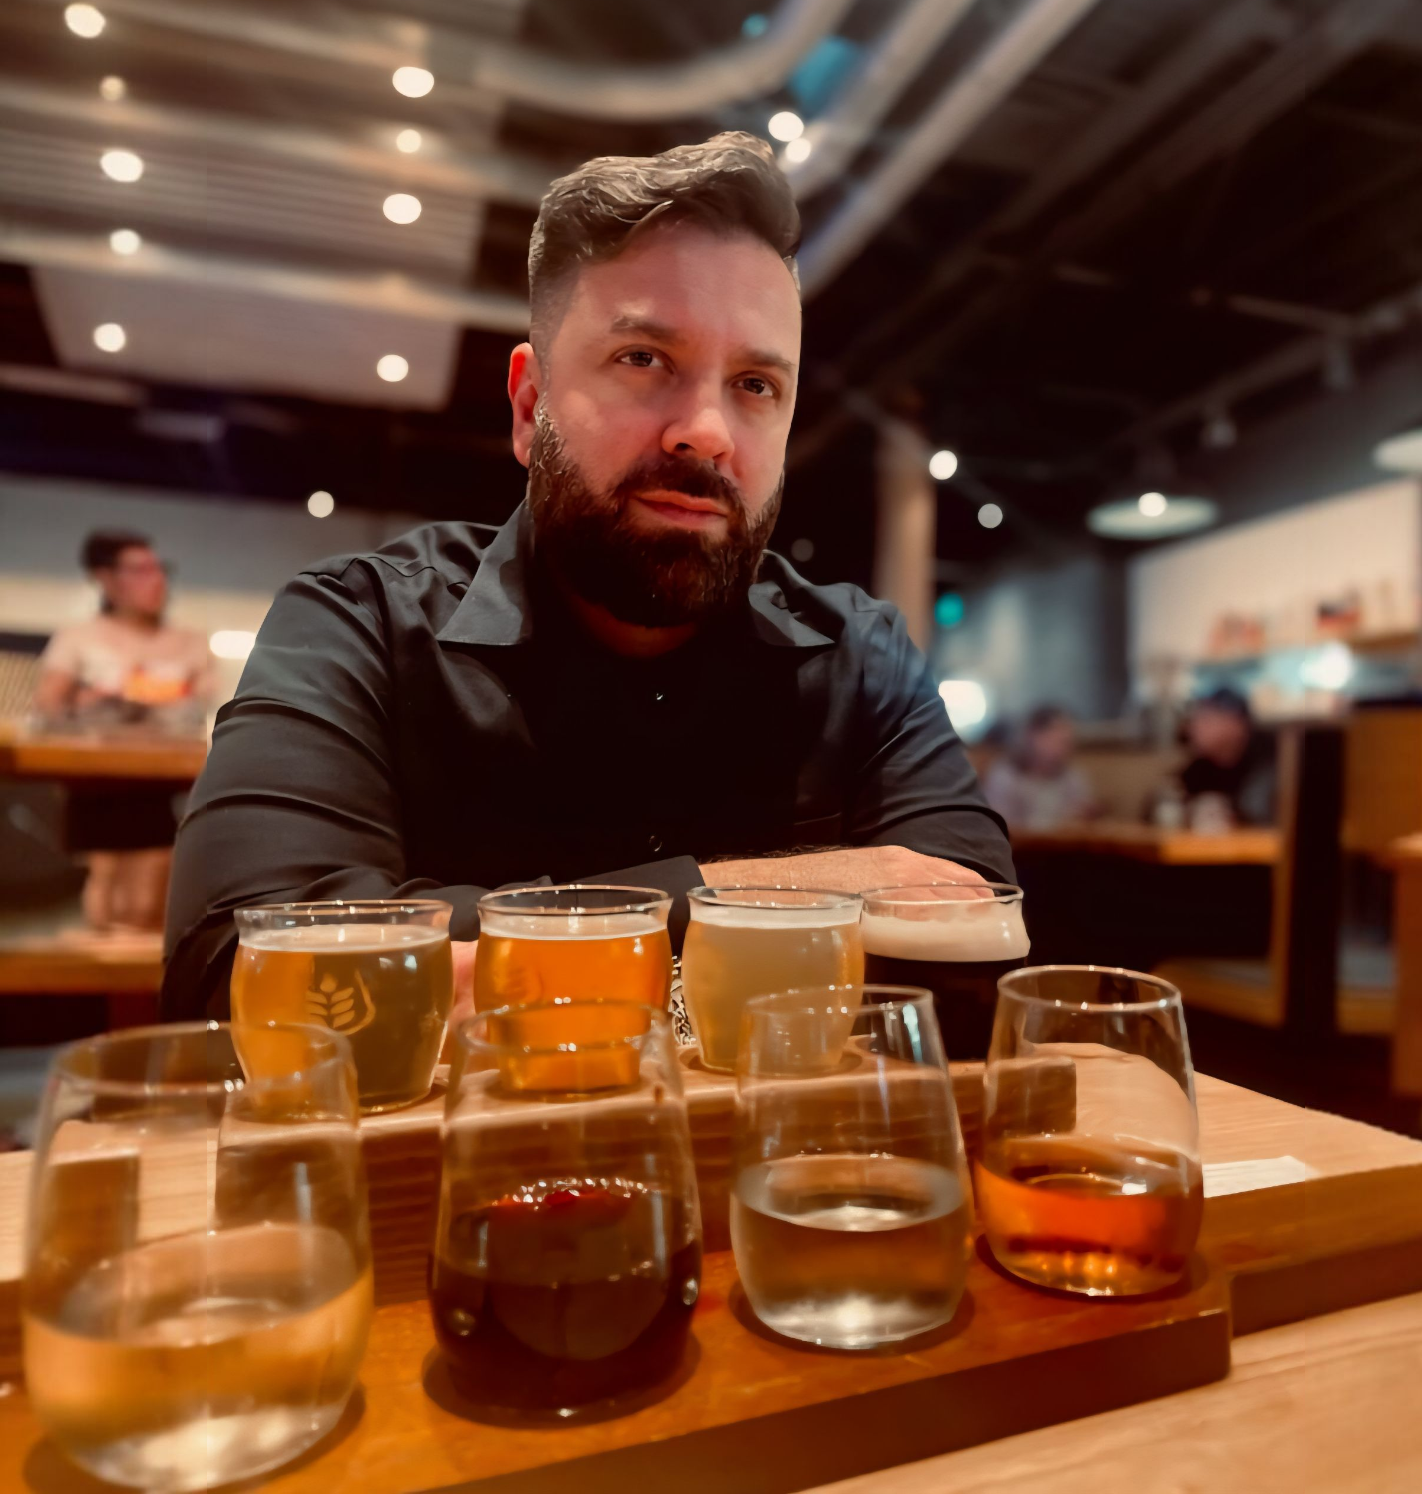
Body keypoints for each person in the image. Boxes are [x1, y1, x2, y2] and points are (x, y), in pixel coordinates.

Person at [162, 133, 1015, 1019]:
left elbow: (973, 953)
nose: (707, 431)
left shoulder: (861, 656)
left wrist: (471, 960)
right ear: (530, 406)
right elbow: (241, 974)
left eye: (756, 384)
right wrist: (790, 895)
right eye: (643, 359)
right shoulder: (360, 624)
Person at [33, 530, 212, 930]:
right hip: (97, 785)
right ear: (106, 578)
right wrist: (90, 701)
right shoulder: (79, 638)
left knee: (154, 898)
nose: (156, 579)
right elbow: (46, 709)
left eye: (159, 569)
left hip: (169, 785)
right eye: (141, 570)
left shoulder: (189, 642)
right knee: (105, 894)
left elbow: (206, 708)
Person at [982, 705, 1097, 831]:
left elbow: (1083, 816)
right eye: (1055, 739)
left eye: (1066, 742)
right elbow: (999, 826)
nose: (1063, 749)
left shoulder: (1071, 775)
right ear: (1032, 736)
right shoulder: (1005, 776)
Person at [1174, 687, 1276, 826]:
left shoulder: (1269, 768)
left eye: (1206, 720)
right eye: (1193, 721)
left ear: (1238, 724)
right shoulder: (1198, 769)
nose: (1193, 729)